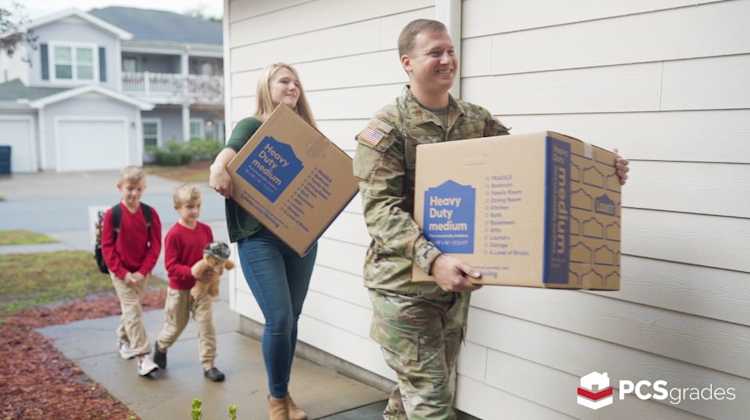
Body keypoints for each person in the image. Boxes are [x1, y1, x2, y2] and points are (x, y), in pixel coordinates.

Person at [353, 19, 630, 419]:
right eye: (435, 52)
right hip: (402, 289)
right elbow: (380, 211)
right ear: (407, 63)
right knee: (431, 401)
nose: (448, 59)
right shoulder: (386, 129)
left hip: (454, 288)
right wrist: (434, 259)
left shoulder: (475, 121)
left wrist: (602, 171)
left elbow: (530, 166)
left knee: (417, 390)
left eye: (450, 50)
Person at [209, 63, 317, 420]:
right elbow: (227, 155)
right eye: (284, 80)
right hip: (260, 239)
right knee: (279, 316)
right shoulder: (252, 125)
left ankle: (285, 395)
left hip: (299, 238)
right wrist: (218, 168)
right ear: (265, 86)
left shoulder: (305, 134)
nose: (293, 86)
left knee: (292, 318)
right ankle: (275, 399)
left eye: (297, 82)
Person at [152, 184, 225, 382]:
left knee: (206, 325)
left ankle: (209, 364)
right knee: (176, 326)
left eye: (197, 206)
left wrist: (217, 269)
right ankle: (161, 345)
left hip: (203, 288)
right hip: (180, 289)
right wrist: (192, 271)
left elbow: (212, 257)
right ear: (177, 207)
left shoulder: (206, 230)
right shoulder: (174, 235)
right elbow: (171, 267)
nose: (194, 211)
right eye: (189, 207)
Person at [101, 165, 162, 377]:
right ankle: (143, 357)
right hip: (120, 272)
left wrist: (143, 271)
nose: (134, 193)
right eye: (129, 188)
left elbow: (155, 246)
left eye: (138, 189)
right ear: (120, 187)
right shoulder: (112, 215)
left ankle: (122, 338)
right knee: (133, 310)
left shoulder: (150, 214)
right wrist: (124, 273)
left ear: (144, 188)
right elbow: (107, 248)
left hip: (141, 271)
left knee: (131, 310)